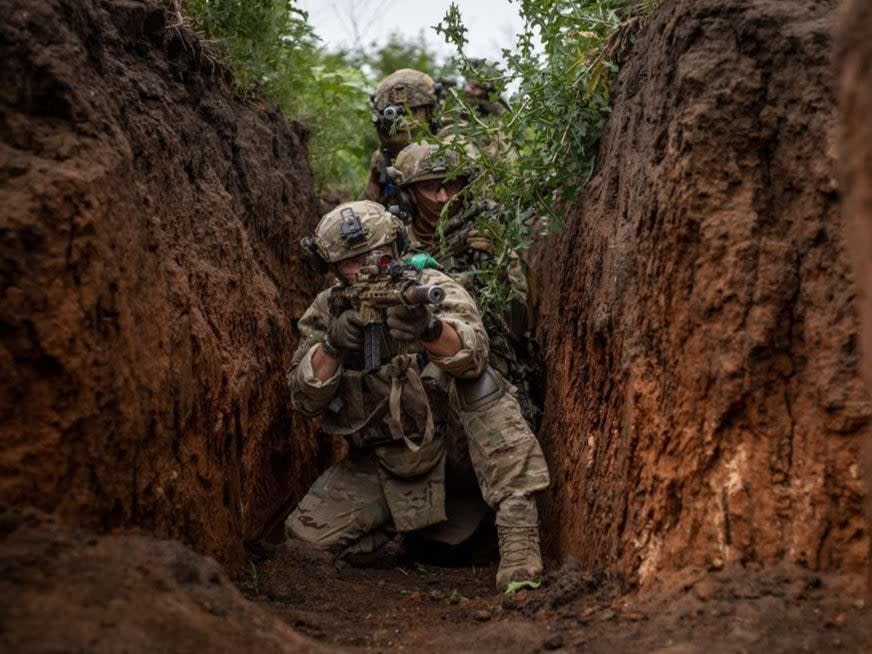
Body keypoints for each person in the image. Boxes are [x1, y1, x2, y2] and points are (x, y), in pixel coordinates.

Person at [285, 200, 550, 591]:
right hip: (387, 460)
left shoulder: (435, 287)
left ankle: (518, 537)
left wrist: (428, 329)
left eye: (377, 255)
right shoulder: (326, 311)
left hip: (457, 451)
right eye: (353, 263)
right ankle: (414, 530)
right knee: (303, 542)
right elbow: (305, 401)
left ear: (396, 246)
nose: (368, 268)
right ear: (334, 269)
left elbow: (473, 358)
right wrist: (332, 345)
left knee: (483, 388)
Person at [388, 141, 540, 427]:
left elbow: (521, 326)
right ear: (408, 195)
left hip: (484, 374)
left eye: (451, 185)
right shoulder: (393, 247)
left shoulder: (487, 238)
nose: (444, 197)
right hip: (415, 387)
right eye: (430, 188)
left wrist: (496, 272)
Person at [364, 69, 443, 207]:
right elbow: (368, 202)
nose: (402, 120)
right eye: (388, 111)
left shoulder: (450, 146)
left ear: (431, 114)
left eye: (410, 112)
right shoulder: (384, 155)